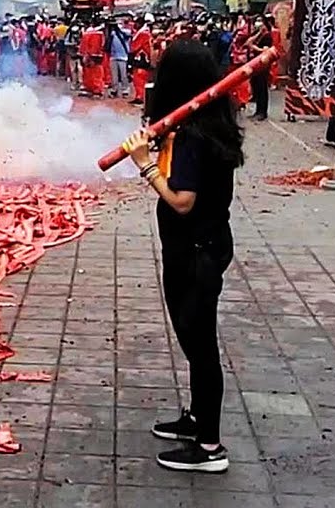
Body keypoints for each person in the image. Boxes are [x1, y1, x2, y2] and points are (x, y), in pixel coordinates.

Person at [120, 39, 244, 475]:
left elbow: (182, 201)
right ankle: (196, 419)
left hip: (196, 251)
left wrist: (144, 164)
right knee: (193, 339)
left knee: (200, 344)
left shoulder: (194, 135)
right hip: (199, 247)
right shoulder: (201, 124)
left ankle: (209, 448)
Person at [246, 18, 274, 121]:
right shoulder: (258, 35)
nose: (258, 23)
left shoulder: (267, 37)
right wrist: (258, 34)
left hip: (263, 65)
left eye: (260, 21)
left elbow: (265, 50)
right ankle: (257, 110)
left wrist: (254, 47)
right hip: (255, 65)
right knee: (256, 87)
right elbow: (248, 42)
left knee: (262, 88)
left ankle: (262, 112)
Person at [129, 17, 154, 106]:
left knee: (139, 77)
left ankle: (140, 97)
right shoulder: (144, 32)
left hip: (141, 58)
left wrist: (131, 52)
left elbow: (134, 47)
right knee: (139, 78)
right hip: (142, 58)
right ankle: (139, 96)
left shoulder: (142, 33)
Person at [79, 21, 107, 97]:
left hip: (89, 55)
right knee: (97, 73)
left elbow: (84, 45)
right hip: (97, 55)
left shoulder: (88, 32)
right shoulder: (100, 33)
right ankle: (96, 89)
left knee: (89, 73)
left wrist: (85, 55)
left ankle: (91, 88)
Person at [108, 19, 131, 99]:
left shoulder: (127, 31)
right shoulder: (112, 33)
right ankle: (114, 90)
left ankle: (125, 90)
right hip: (113, 56)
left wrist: (118, 29)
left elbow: (127, 36)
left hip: (123, 56)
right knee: (114, 76)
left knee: (123, 75)